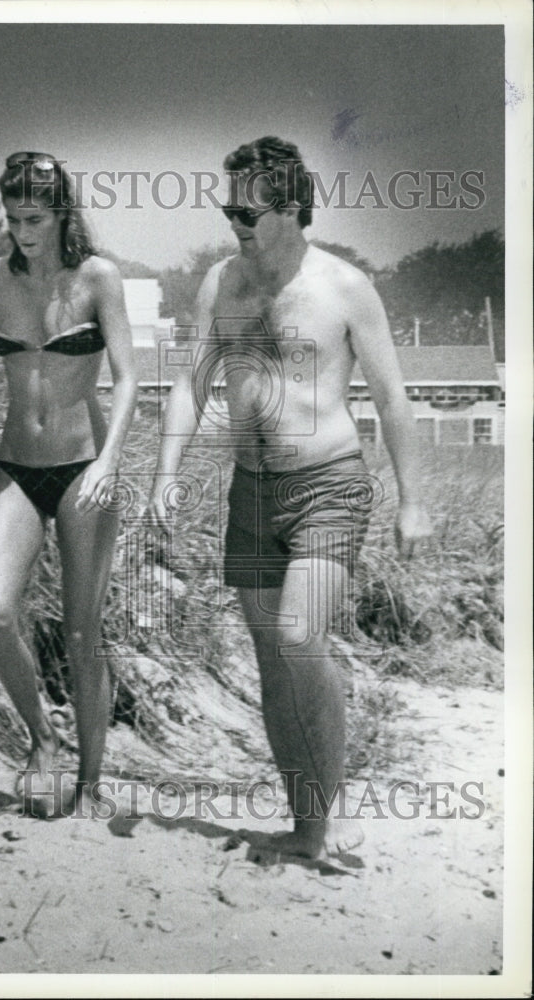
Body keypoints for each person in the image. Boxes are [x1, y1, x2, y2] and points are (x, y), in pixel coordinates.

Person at [148, 135, 432, 859]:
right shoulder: (222, 283)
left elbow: (395, 400)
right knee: (270, 657)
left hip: (328, 485)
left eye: (245, 209)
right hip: (251, 488)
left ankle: (329, 810)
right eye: (227, 207)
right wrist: (166, 471)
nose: (232, 221)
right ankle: (306, 829)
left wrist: (411, 501)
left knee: (301, 638)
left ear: (290, 209)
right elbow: (191, 382)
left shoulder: (344, 286)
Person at [0, 152, 137, 814]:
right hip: (15, 465)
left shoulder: (97, 277)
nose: (22, 231)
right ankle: (41, 740)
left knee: (82, 632)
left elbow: (129, 379)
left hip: (86, 465)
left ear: (60, 213)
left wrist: (110, 462)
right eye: (12, 217)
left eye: (33, 218)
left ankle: (89, 784)